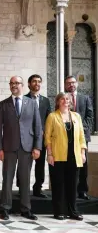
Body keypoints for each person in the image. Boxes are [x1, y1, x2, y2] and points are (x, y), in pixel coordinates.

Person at [0, 76, 42, 221]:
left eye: (17, 83)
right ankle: (5, 208)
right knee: (7, 179)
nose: (14, 85)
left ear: (23, 85)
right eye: (12, 83)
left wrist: (37, 147)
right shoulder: (3, 104)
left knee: (25, 179)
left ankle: (26, 209)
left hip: (27, 147)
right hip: (9, 147)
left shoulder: (32, 103)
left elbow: (38, 126)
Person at [45, 92, 86, 220]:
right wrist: (49, 154)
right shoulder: (52, 116)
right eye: (62, 99)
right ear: (58, 101)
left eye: (67, 99)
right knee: (59, 185)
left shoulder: (76, 116)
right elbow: (47, 137)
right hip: (57, 155)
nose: (65, 101)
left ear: (70, 102)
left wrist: (83, 152)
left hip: (74, 156)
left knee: (73, 185)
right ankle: (59, 211)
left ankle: (73, 211)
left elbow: (81, 136)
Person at [16, 75, 51, 198]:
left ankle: (38, 188)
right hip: (25, 138)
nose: (37, 83)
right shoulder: (22, 98)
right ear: (29, 84)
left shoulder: (45, 101)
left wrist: (44, 132)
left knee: (40, 164)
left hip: (40, 138)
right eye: (34, 81)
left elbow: (49, 119)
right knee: (23, 164)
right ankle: (21, 188)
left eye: (39, 81)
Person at [64, 75, 93, 200]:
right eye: (69, 83)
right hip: (66, 137)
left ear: (77, 84)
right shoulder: (63, 98)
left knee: (82, 164)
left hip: (82, 137)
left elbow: (90, 116)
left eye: (73, 82)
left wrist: (80, 128)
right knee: (68, 164)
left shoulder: (85, 98)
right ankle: (69, 190)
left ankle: (82, 190)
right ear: (65, 85)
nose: (71, 85)